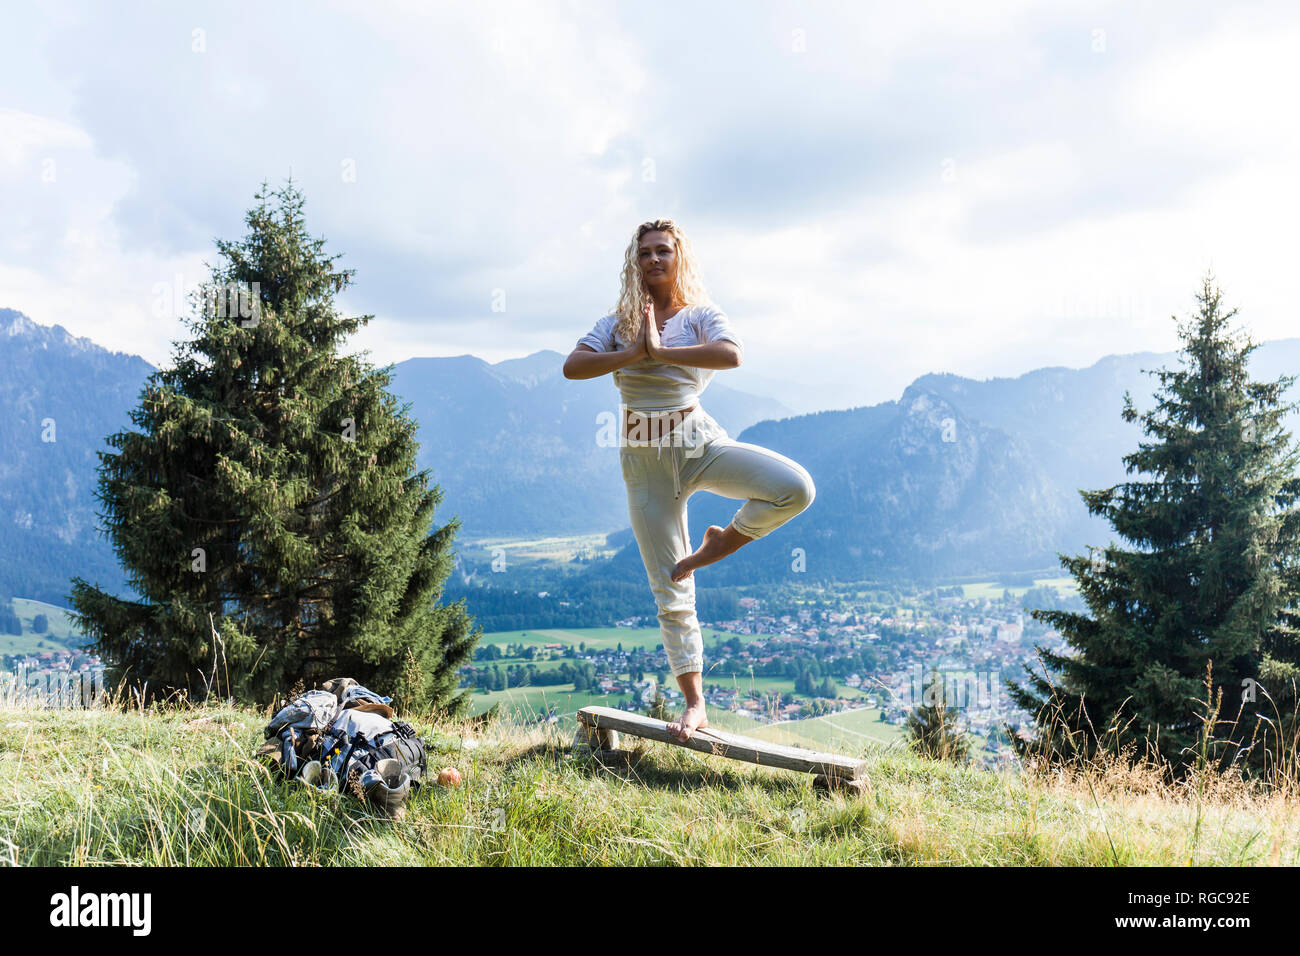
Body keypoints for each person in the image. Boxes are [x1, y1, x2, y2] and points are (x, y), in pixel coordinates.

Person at [562, 219, 816, 742]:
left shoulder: (701, 315)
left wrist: (662, 353)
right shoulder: (615, 324)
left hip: (698, 442)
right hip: (644, 463)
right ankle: (696, 705)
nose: (654, 259)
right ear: (635, 263)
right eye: (646, 253)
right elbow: (573, 366)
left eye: (663, 251)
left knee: (795, 487)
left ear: (679, 257)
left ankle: (722, 542)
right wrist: (633, 353)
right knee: (670, 589)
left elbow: (732, 354)